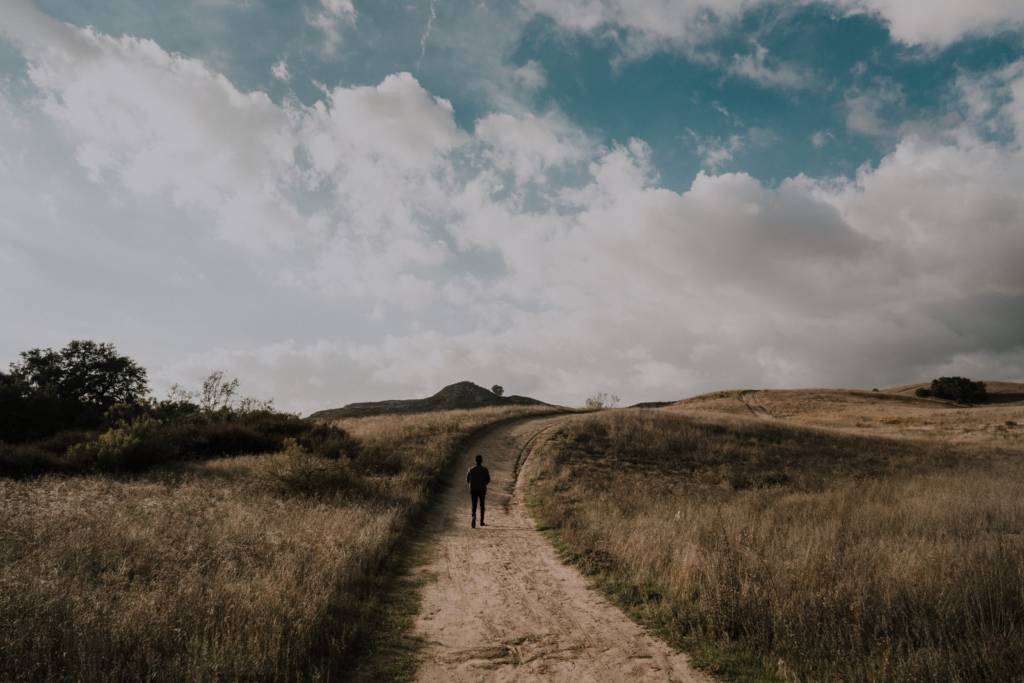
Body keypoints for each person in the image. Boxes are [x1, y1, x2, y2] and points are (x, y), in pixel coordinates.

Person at [466, 454, 490, 528]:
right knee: (482, 505)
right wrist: (483, 483)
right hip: (482, 489)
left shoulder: (471, 469)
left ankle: (473, 516)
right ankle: (481, 521)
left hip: (473, 489)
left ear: (475, 461)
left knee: (474, 504)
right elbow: (488, 480)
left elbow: (467, 480)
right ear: (481, 461)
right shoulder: (485, 470)